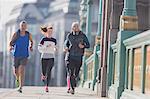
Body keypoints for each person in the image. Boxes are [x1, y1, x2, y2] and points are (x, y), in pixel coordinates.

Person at [64, 21, 90, 94]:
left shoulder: (83, 35)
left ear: (79, 28)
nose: (75, 28)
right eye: (74, 26)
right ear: (72, 28)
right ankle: (72, 88)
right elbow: (66, 44)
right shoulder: (69, 35)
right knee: (71, 72)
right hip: (70, 56)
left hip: (79, 57)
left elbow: (88, 45)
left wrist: (83, 46)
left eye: (77, 26)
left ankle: (73, 85)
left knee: (76, 74)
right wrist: (66, 47)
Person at [9, 21, 33, 93]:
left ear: (26, 27)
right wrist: (10, 47)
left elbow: (32, 41)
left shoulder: (28, 34)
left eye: (24, 26)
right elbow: (11, 43)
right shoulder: (16, 34)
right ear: (20, 26)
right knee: (16, 71)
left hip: (24, 55)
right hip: (16, 54)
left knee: (22, 69)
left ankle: (20, 87)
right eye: (22, 26)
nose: (23, 27)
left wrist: (31, 47)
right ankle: (17, 78)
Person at [38, 24, 57, 92]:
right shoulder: (43, 39)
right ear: (46, 32)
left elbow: (55, 48)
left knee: (49, 72)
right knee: (44, 72)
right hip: (44, 57)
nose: (50, 33)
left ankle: (47, 86)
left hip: (51, 57)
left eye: (51, 32)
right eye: (49, 31)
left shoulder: (54, 40)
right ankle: (43, 75)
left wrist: (55, 49)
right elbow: (39, 48)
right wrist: (45, 47)